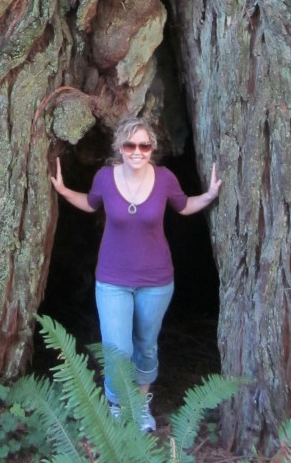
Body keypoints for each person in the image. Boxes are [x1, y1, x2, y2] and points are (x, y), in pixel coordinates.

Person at [50, 116, 221, 433]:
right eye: (130, 145)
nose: (137, 151)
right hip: (113, 281)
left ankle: (141, 407)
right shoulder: (104, 178)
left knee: (145, 345)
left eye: (144, 145)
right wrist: (63, 190)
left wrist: (209, 196)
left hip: (156, 282)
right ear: (120, 147)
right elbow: (90, 204)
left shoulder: (165, 178)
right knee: (118, 349)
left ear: (152, 148)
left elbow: (183, 207)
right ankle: (117, 405)